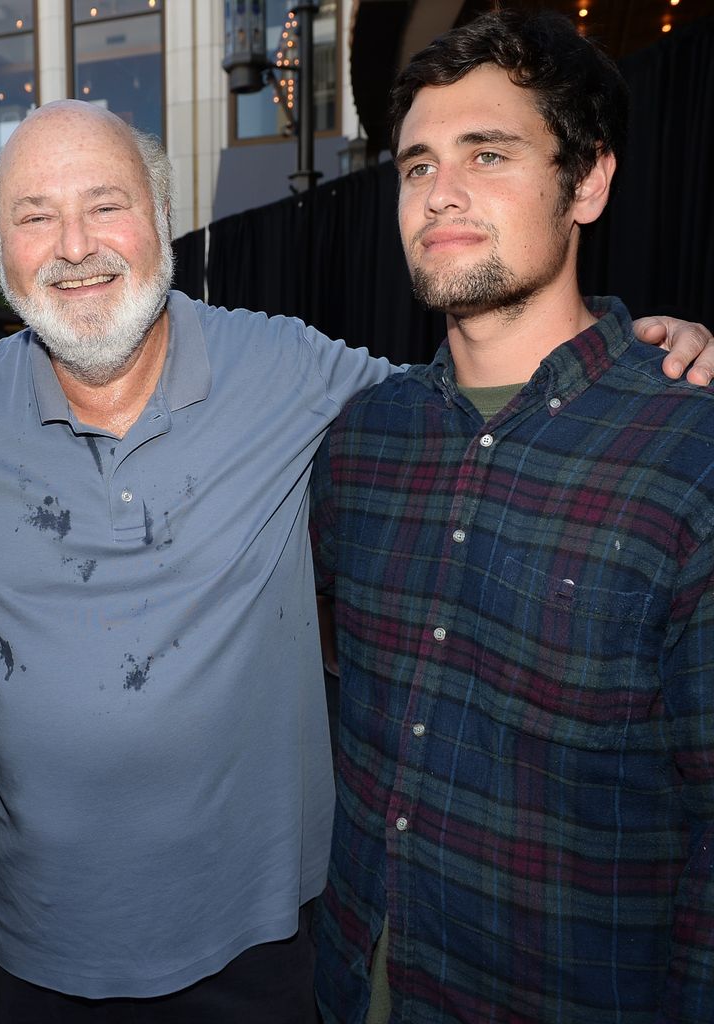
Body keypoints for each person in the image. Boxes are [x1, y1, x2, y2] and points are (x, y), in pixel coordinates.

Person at [0, 96, 714, 1022]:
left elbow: (472, 409)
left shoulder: (288, 369)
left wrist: (631, 359)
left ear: (162, 218)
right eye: (34, 216)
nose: (73, 245)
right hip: (33, 953)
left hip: (268, 951)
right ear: (1, 249)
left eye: (106, 204)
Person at [310, 10, 714, 1024]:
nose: (438, 191)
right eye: (414, 165)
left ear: (587, 183)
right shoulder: (360, 445)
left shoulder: (689, 457)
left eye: (486, 154)